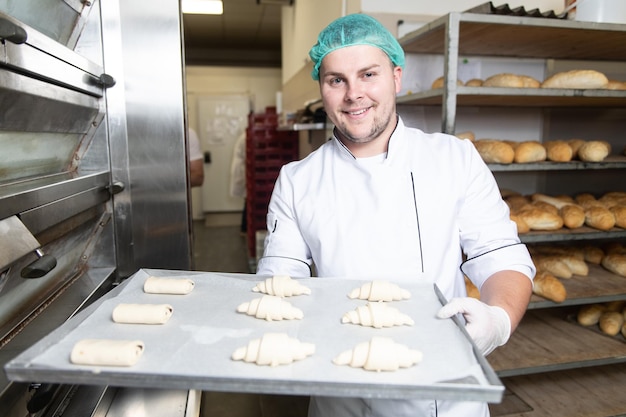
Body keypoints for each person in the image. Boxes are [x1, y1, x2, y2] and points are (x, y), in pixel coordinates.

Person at [256, 13, 535, 417]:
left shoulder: (454, 159)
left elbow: (502, 258)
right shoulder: (298, 180)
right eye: (337, 80)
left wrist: (497, 321)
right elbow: (281, 282)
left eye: (368, 74)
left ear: (396, 77)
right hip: (341, 392)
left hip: (443, 397)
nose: (354, 94)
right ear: (323, 89)